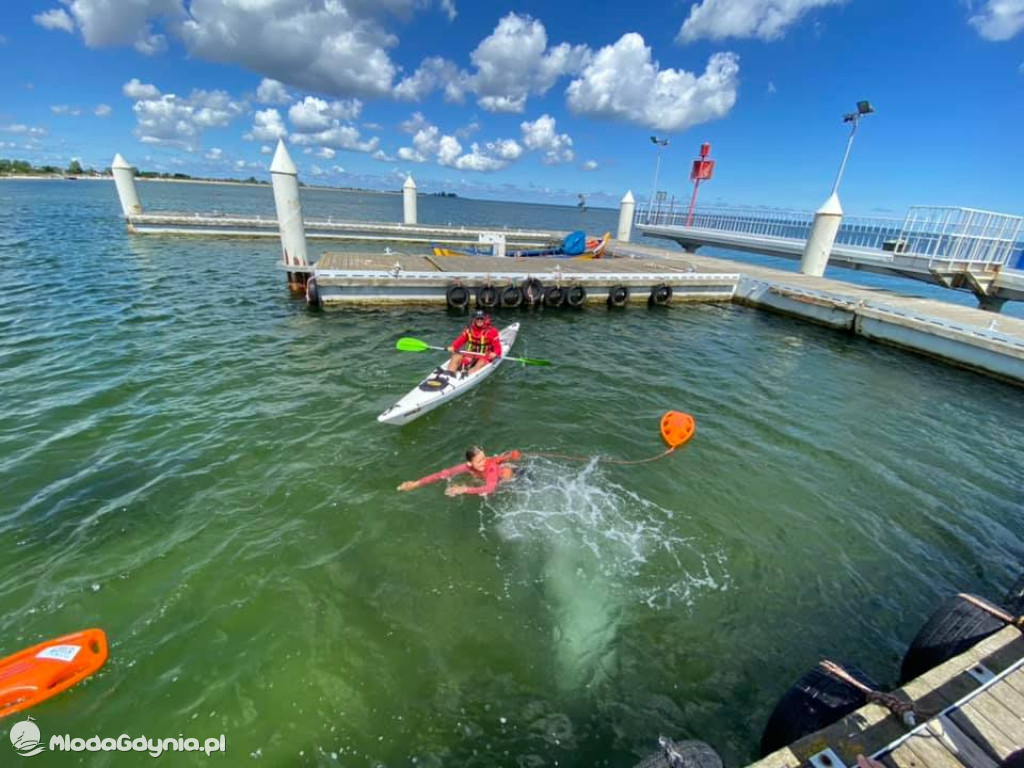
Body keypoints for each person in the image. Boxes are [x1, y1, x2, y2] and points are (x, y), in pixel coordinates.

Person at [397, 446, 522, 497]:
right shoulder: (466, 467)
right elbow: (442, 474)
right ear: (470, 463)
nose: (484, 462)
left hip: (518, 478)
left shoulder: (490, 467)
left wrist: (464, 489)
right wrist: (416, 483)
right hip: (497, 477)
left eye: (484, 458)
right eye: (479, 461)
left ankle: (510, 457)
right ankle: (508, 456)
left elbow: (489, 489)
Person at [444, 310, 501, 376]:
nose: (479, 320)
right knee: (456, 355)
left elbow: (498, 347)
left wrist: (495, 353)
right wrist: (453, 347)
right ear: (474, 319)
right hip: (471, 352)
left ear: (485, 319)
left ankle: (468, 375)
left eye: (481, 319)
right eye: (477, 319)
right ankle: (450, 373)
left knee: (481, 363)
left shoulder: (492, 331)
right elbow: (461, 339)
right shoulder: (469, 329)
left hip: (485, 354)